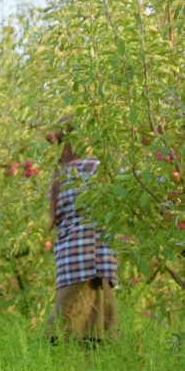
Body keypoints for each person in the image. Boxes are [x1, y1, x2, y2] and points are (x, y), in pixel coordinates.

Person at [44, 114, 119, 346]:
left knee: (81, 330)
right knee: (81, 331)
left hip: (71, 262)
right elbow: (125, 193)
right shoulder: (93, 167)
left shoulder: (59, 175)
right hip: (91, 260)